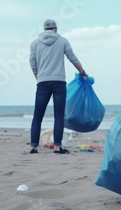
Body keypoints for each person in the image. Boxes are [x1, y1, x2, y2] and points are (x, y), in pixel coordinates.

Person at [29, 19, 88, 154]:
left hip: (42, 82)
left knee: (37, 116)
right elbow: (72, 58)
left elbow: (32, 62)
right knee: (59, 116)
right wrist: (83, 73)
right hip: (59, 82)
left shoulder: (35, 43)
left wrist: (38, 77)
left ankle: (33, 147)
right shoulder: (62, 41)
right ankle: (57, 146)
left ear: (44, 29)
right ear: (55, 29)